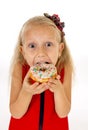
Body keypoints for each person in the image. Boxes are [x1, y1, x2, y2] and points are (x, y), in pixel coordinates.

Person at [8, 13, 73, 130]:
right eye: (32, 46)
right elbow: (15, 113)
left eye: (48, 44)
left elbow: (63, 113)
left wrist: (58, 90)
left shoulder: (64, 68)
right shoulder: (19, 68)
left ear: (60, 49)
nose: (41, 53)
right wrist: (26, 92)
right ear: (23, 51)